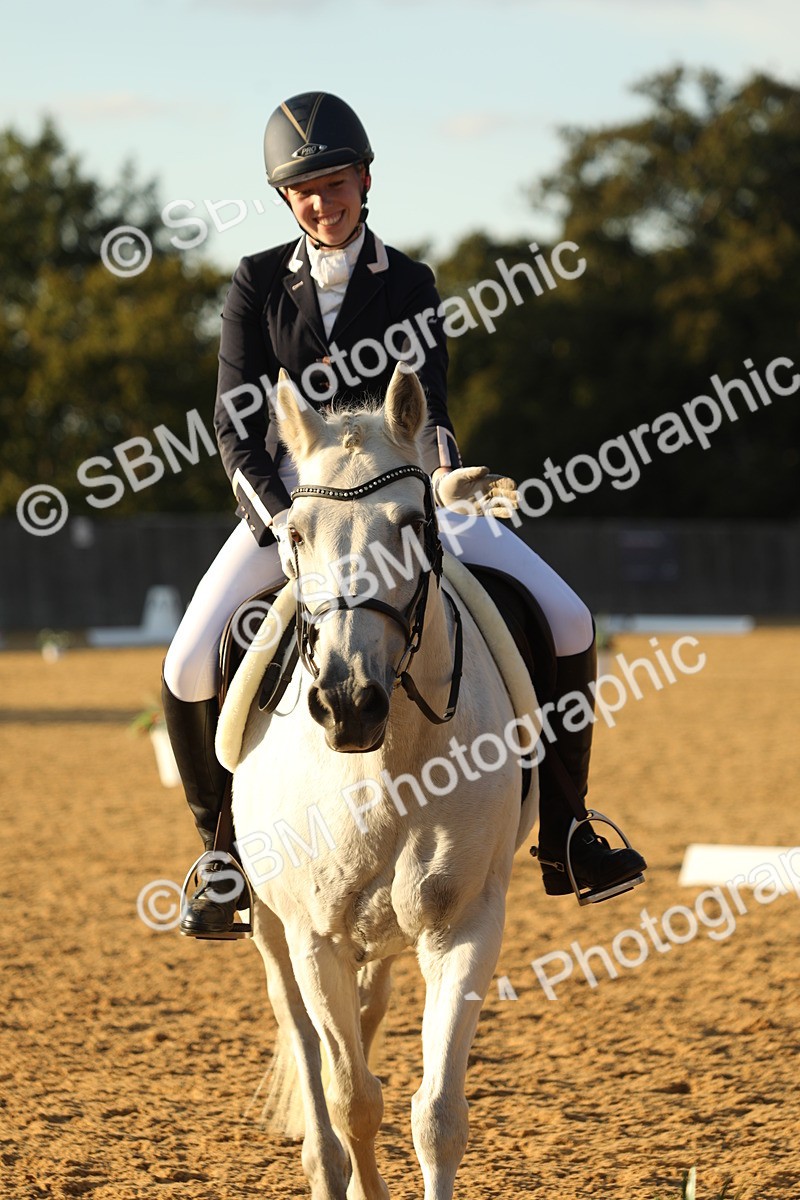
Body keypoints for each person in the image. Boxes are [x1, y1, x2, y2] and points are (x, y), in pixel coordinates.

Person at [163, 91, 646, 938]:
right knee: (188, 660)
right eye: (304, 189)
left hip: (400, 499)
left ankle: (568, 831)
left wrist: (444, 478)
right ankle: (222, 858)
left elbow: (436, 412)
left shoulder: (413, 282)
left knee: (568, 619)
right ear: (286, 199)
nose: (323, 201)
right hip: (296, 510)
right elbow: (235, 430)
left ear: (365, 179)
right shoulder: (254, 284)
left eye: (336, 181)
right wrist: (282, 522)